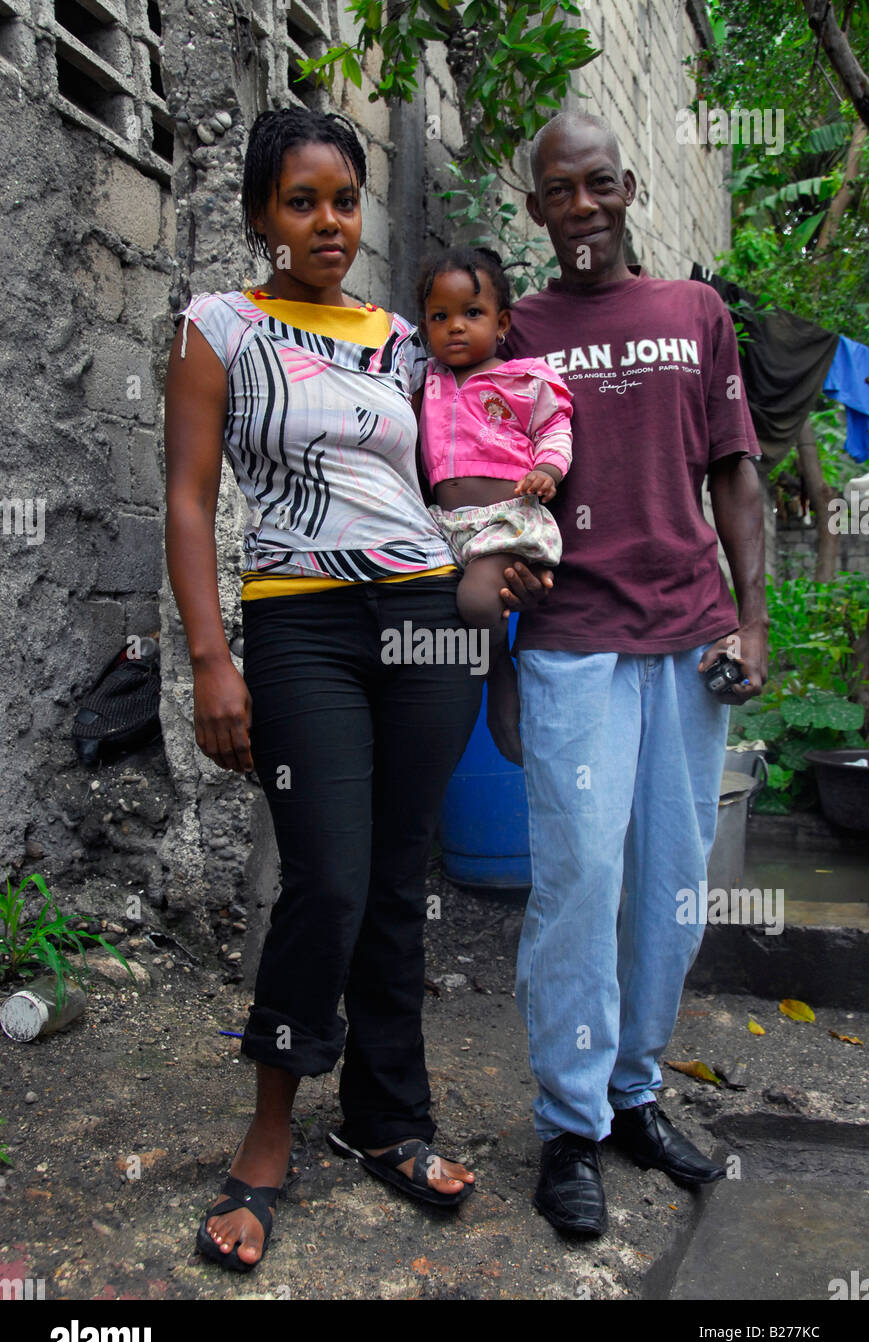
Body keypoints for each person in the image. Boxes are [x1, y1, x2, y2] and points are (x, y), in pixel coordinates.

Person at [163, 107, 547, 1271]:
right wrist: (209, 658)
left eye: (343, 199)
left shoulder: (403, 339)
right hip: (299, 624)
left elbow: (462, 460)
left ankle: (388, 1117)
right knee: (324, 876)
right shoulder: (219, 327)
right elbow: (186, 500)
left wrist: (503, 548)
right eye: (301, 201)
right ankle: (271, 1133)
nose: (328, 222)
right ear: (260, 215)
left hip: (428, 613)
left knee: (394, 874)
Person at [487, 112, 768, 1237]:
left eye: (601, 183)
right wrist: (498, 660)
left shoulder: (694, 314)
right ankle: (569, 1124)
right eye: (560, 190)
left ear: (631, 185)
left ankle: (636, 1094)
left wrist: (753, 622)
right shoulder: (515, 330)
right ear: (539, 207)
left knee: (671, 888)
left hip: (691, 637)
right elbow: (488, 497)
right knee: (575, 886)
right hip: (572, 642)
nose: (584, 206)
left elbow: (736, 477)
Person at [415, 245, 573, 638]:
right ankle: (487, 669)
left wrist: (547, 469)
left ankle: (499, 665)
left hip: (505, 520)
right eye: (440, 316)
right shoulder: (426, 380)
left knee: (476, 603)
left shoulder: (521, 379)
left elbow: (554, 425)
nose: (455, 325)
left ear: (501, 323)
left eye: (472, 313)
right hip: (445, 526)